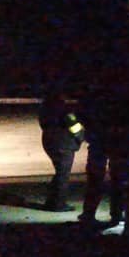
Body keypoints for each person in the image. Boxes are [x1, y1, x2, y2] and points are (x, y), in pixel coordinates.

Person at [78, 63, 129, 235]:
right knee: (115, 178)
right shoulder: (122, 94)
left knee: (99, 178)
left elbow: (81, 115)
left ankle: (92, 214)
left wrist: (88, 132)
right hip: (114, 142)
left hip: (103, 141)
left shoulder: (94, 95)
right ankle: (114, 215)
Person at [38, 81, 85, 212]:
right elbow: (74, 126)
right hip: (63, 145)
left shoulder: (45, 108)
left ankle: (52, 201)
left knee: (59, 173)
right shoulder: (63, 109)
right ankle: (58, 204)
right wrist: (82, 137)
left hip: (50, 142)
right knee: (63, 175)